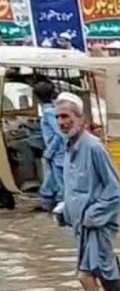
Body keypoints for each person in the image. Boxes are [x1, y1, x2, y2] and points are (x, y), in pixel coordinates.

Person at [53, 92, 120, 291]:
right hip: (82, 226)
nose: (62, 122)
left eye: (66, 116)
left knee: (85, 276)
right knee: (111, 281)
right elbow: (75, 189)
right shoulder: (69, 148)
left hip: (96, 225)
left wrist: (94, 214)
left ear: (80, 119)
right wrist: (65, 211)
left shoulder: (94, 148)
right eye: (58, 117)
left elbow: (114, 188)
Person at [34, 81, 65, 211]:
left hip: (57, 152)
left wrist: (50, 151)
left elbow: (59, 133)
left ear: (36, 97)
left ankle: (59, 205)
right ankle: (49, 201)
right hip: (59, 152)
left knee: (59, 180)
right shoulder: (53, 110)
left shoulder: (48, 112)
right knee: (52, 178)